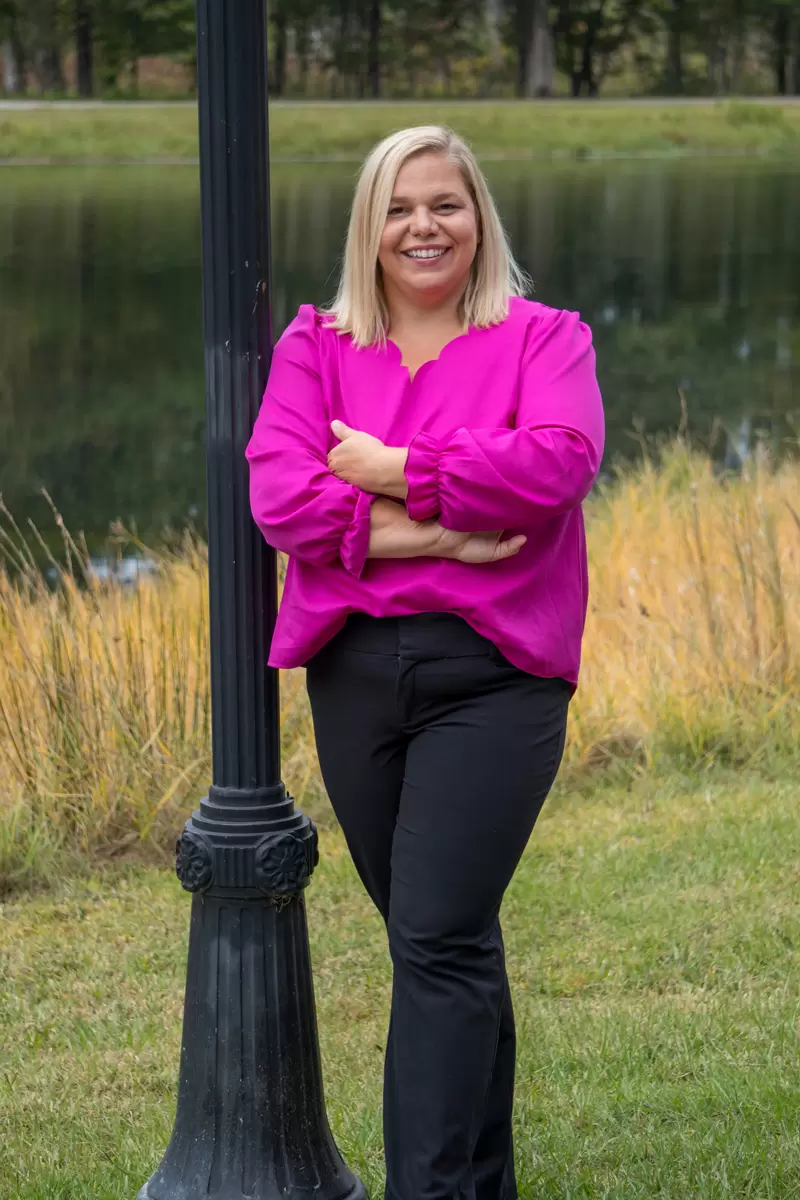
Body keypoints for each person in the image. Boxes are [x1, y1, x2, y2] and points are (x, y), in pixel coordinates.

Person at [246, 125, 605, 1200]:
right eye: (399, 208)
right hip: (354, 672)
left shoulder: (545, 338)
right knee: (439, 937)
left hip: (497, 673)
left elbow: (555, 465)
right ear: (368, 227)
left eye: (445, 204)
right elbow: (282, 496)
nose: (423, 227)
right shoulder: (314, 347)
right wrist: (443, 530)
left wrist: (393, 467)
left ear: (478, 219)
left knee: (437, 936)